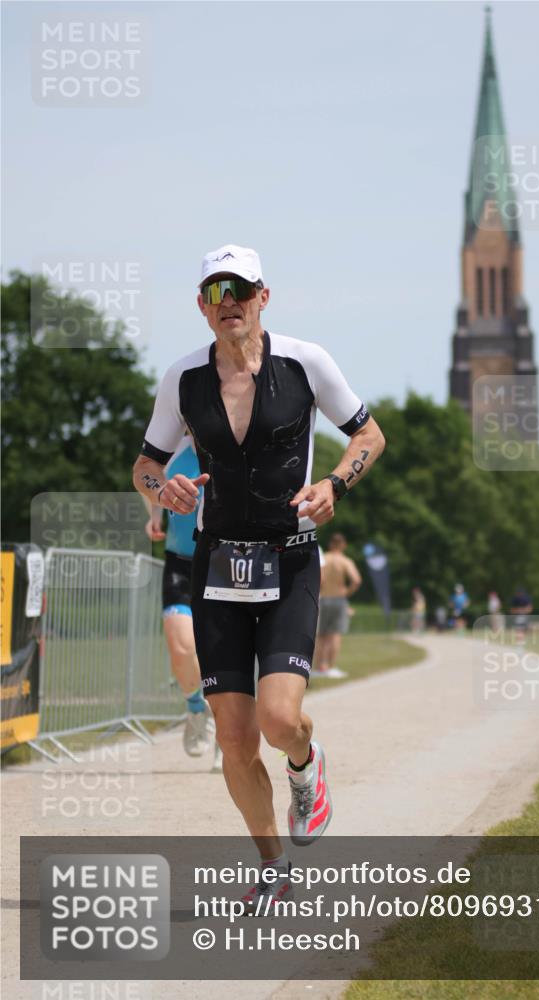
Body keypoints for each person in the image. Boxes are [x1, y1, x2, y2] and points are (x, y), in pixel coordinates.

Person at [132, 244, 385, 913]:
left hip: (291, 558)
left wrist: (335, 482)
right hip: (217, 566)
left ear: (263, 296)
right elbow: (145, 466)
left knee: (278, 721)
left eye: (240, 290)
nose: (229, 304)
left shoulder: (306, 362)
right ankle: (273, 866)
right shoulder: (183, 378)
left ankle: (307, 765)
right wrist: (166, 489)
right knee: (235, 738)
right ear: (202, 305)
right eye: (216, 292)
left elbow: (369, 438)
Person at [143, 435, 218, 761]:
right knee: (182, 648)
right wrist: (155, 517)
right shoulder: (171, 448)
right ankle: (196, 709)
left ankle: (230, 738)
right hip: (180, 563)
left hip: (224, 564)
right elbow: (148, 477)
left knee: (226, 657)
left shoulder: (234, 441)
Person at [313, 533, 361, 678]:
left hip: (322, 598)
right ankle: (330, 667)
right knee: (334, 635)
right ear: (343, 545)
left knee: (321, 635)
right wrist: (346, 592)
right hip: (338, 599)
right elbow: (356, 580)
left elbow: (317, 578)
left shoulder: (324, 558)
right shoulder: (345, 561)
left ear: (330, 544)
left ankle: (318, 667)